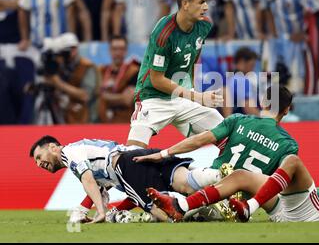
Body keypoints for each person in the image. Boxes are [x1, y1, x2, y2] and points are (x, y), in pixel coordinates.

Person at [147, 122, 319, 223]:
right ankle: (182, 207)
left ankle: (251, 207)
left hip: (314, 210)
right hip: (292, 210)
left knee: (294, 161)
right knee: (240, 176)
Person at [126, 0, 224, 149]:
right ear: (185, 4)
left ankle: (226, 173)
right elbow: (157, 80)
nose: (206, 7)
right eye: (201, 2)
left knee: (228, 135)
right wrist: (198, 97)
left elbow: (194, 58)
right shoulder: (164, 33)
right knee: (132, 153)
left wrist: (192, 91)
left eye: (207, 1)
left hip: (183, 96)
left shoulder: (205, 25)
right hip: (153, 97)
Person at [134, 86, 298, 178]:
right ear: (286, 110)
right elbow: (282, 180)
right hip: (241, 200)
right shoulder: (288, 145)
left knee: (172, 174)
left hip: (212, 183)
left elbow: (199, 140)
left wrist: (163, 154)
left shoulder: (238, 120)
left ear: (263, 102)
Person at [28, 135, 198, 224]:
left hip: (126, 164)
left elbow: (88, 180)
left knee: (166, 216)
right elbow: (102, 188)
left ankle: (195, 209)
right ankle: (207, 203)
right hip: (141, 156)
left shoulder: (68, 153)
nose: (38, 164)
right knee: (186, 185)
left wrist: (101, 213)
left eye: (39, 157)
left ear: (52, 147)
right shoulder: (83, 152)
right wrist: (84, 210)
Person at [40, 33, 100, 124]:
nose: (72, 52)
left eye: (73, 48)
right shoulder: (61, 65)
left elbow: (86, 95)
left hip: (86, 118)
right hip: (65, 116)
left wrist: (58, 83)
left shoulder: (87, 67)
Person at [98, 35, 140, 123]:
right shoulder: (101, 70)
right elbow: (94, 95)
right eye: (114, 49)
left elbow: (127, 100)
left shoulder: (134, 71)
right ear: (109, 50)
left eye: (121, 49)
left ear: (126, 51)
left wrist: (104, 96)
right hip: (102, 121)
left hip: (125, 120)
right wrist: (118, 97)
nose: (118, 53)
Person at [222, 47, 260, 117]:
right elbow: (248, 109)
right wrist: (266, 119)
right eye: (252, 65)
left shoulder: (228, 78)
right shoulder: (241, 81)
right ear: (241, 62)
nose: (253, 69)